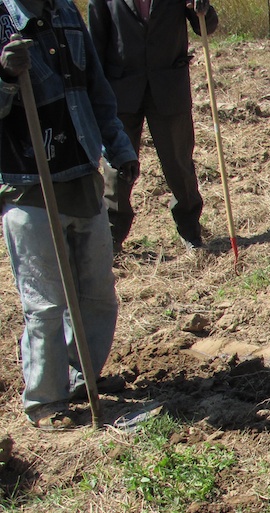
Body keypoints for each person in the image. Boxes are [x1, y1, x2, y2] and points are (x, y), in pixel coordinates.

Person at [0, 0, 138, 430]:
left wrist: (118, 147)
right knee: (45, 304)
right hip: (28, 182)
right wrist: (5, 77)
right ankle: (45, 402)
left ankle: (83, 378)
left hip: (81, 172)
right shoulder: (3, 22)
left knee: (98, 295)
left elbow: (96, 89)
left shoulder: (66, 13)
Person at [88, 0, 217, 251]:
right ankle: (112, 236)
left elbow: (206, 27)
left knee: (179, 164)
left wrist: (203, 8)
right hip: (121, 91)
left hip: (169, 87)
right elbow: (95, 44)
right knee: (116, 170)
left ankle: (190, 229)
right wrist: (96, 94)